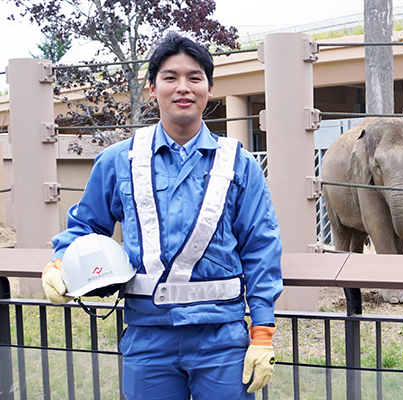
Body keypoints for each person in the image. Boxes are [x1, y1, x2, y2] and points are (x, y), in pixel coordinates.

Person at [41, 31, 283, 399]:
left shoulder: (240, 165)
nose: (182, 87)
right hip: (147, 338)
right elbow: (87, 225)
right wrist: (60, 262)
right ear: (153, 88)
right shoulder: (118, 160)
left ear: (210, 89)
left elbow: (260, 246)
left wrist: (262, 332)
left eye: (194, 77)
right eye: (170, 77)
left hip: (223, 340)